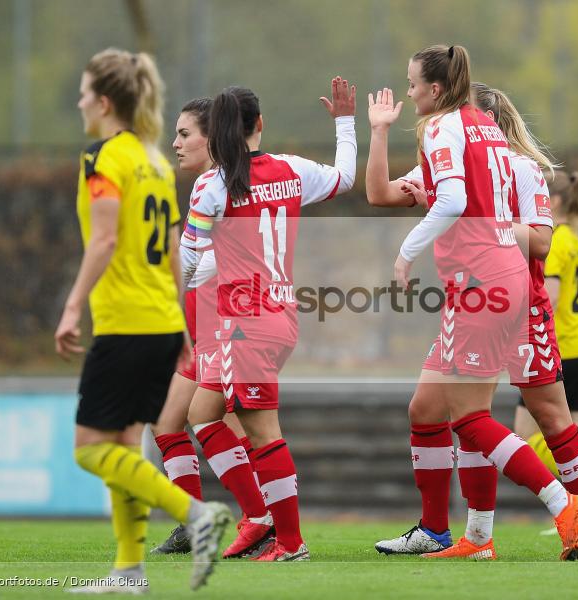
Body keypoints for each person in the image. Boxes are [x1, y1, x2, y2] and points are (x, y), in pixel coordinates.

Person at [366, 45, 578, 561]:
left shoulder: (447, 130)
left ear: (436, 89)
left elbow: (453, 202)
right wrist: (378, 130)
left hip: (486, 286)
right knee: (426, 408)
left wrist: (406, 253)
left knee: (473, 418)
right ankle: (456, 534)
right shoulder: (478, 131)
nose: (407, 93)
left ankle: (564, 508)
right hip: (481, 285)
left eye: (412, 84)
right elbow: (383, 194)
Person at [54, 48, 230, 593]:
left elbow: (104, 238)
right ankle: (129, 572)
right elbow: (176, 246)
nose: (80, 101)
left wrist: (70, 305)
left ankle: (196, 514)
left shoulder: (104, 158)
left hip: (125, 322)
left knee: (90, 449)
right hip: (159, 321)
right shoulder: (154, 160)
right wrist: (180, 326)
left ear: (104, 101)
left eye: (85, 92)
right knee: (127, 445)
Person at [181, 78, 357, 561]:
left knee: (263, 433)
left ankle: (291, 542)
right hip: (277, 315)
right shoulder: (291, 169)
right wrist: (345, 122)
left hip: (246, 322)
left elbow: (189, 260)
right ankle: (258, 517)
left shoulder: (212, 185)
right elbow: (345, 177)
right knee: (202, 413)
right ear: (260, 124)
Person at [147, 98, 256, 555]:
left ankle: (264, 519)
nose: (175, 143)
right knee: (167, 425)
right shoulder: (208, 186)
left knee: (242, 430)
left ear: (212, 138)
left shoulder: (223, 185)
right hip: (202, 329)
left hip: (230, 328)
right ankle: (195, 524)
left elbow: (224, 259)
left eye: (184, 134)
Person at [518, 168, 578, 526]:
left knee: (525, 438)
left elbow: (552, 298)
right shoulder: (577, 241)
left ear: (554, 201)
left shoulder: (557, 241)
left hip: (565, 348)